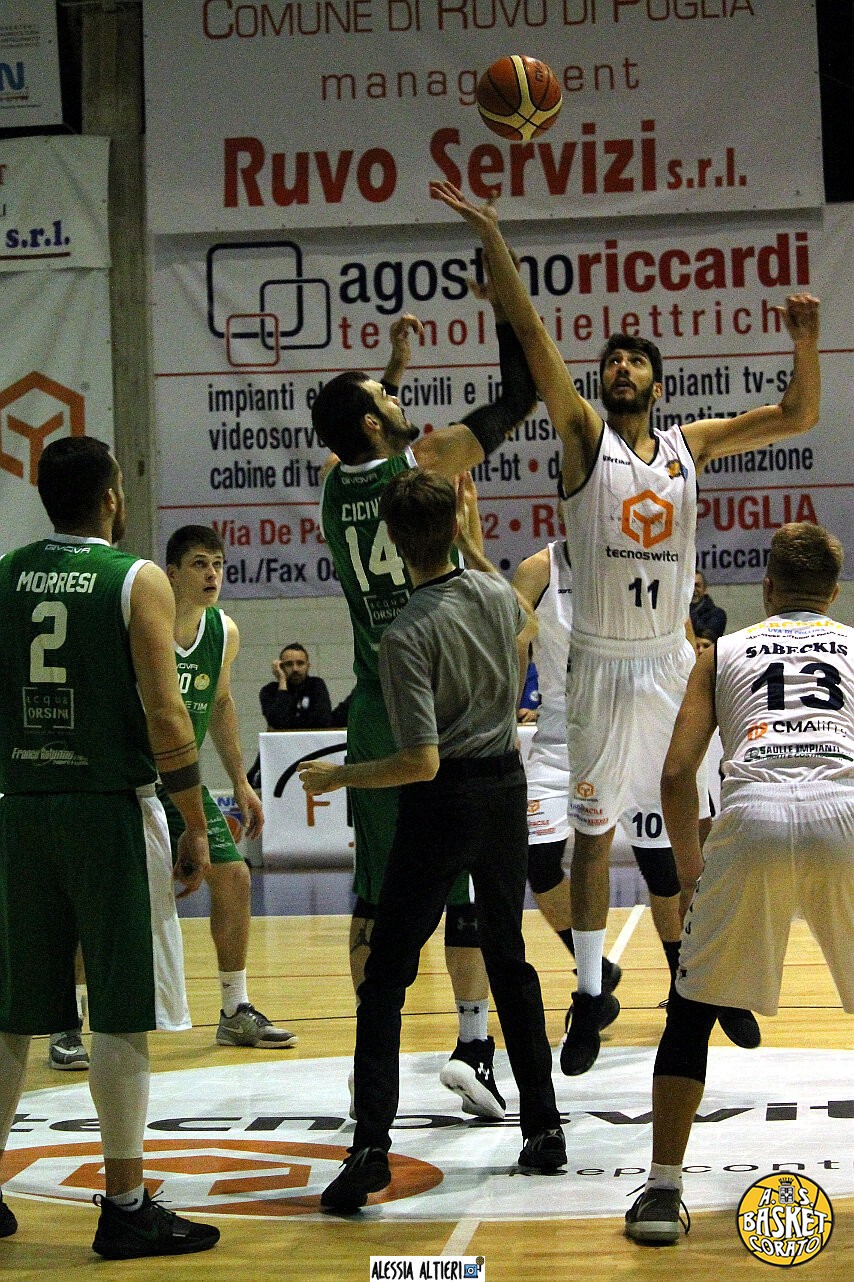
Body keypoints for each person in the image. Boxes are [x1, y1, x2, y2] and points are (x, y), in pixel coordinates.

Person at [431, 180, 820, 1073]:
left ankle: (706, 975)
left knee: (698, 835)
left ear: (658, 382)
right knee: (593, 835)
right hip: (602, 666)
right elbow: (535, 338)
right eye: (612, 360)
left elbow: (798, 416)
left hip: (673, 662)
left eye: (636, 361)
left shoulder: (691, 445)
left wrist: (805, 342)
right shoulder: (582, 436)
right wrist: (494, 236)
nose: (622, 368)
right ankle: (589, 992)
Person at [299, 470, 565, 1213]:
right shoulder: (495, 596)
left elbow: (420, 762)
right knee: (510, 960)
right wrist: (473, 538)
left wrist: (339, 776)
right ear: (455, 528)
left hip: (442, 803)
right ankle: (544, 1128)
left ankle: (370, 1147)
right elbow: (525, 627)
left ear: (391, 542)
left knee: (387, 974)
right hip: (505, 790)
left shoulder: (404, 633)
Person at [312, 295, 538, 1118]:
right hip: (445, 687)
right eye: (388, 396)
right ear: (378, 425)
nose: (399, 397)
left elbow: (363, 440)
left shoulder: (331, 484)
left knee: (376, 895)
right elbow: (518, 399)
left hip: (378, 703)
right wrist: (505, 302)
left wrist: (391, 374)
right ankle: (474, 1047)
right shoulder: (432, 464)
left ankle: (367, 1058)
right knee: (470, 885)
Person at [0, 437, 219, 1257]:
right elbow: (165, 712)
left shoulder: (5, 574)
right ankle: (125, 1206)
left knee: (11, 1015)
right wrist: (195, 818)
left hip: (21, 807)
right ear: (112, 499)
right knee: (121, 1012)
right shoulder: (134, 578)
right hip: (107, 810)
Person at [626, 522, 853, 1244]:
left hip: (751, 817)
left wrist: (693, 874)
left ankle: (663, 1193)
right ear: (833, 594)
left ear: (767, 587)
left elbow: (674, 775)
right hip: (846, 811)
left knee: (690, 1011)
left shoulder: (721, 651)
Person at [161, 525, 296, 1049]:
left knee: (235, 877)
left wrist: (241, 781)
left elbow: (219, 704)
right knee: (106, 891)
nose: (212, 574)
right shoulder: (146, 625)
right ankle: (68, 1020)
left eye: (217, 564)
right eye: (199, 563)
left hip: (184, 783)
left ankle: (234, 1008)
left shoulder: (224, 631)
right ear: (172, 573)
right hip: (132, 778)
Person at [259, 642, 333, 731]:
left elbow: (323, 721)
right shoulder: (269, 690)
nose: (295, 669)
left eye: (300, 663)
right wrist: (282, 681)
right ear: (281, 667)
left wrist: (288, 723)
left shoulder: (316, 685)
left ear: (308, 666)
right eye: (289, 664)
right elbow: (278, 722)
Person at [689, 571, 727, 641]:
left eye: (697, 585)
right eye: (689, 586)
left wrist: (686, 610)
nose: (693, 590)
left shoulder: (717, 614)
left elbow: (707, 637)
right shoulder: (676, 613)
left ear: (705, 589)